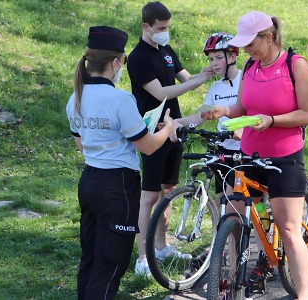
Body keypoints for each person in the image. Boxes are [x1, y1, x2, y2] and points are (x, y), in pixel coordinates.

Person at [203, 11, 308, 300]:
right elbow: (242, 107)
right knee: (233, 215)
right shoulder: (250, 66)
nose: (244, 50)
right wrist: (223, 111)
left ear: (268, 37)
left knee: (289, 230)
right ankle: (228, 276)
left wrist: (272, 120)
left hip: (284, 158)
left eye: (250, 43)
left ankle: (302, 294)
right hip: (249, 154)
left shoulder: (295, 65)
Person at [66, 25, 174, 299]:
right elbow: (148, 147)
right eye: (122, 62)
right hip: (117, 187)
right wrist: (166, 128)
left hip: (89, 181)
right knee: (112, 263)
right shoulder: (120, 99)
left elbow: (81, 144)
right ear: (115, 63)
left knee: (90, 259)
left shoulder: (75, 97)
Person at [127, 1, 212, 276]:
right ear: (146, 27)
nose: (165, 32)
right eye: (161, 28)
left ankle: (162, 246)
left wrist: (210, 71)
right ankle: (143, 257)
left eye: (167, 27)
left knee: (169, 191)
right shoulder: (137, 58)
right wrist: (198, 81)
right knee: (149, 196)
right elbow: (162, 91)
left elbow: (185, 77)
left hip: (175, 130)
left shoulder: (166, 51)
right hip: (152, 132)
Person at [170, 32, 243, 209]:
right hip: (223, 148)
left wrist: (243, 129)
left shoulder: (245, 80)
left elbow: (254, 111)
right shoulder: (215, 87)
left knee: (234, 201)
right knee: (220, 201)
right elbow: (200, 116)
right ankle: (227, 237)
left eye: (219, 57)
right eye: (210, 59)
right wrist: (176, 122)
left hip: (244, 148)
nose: (214, 63)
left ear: (233, 56)